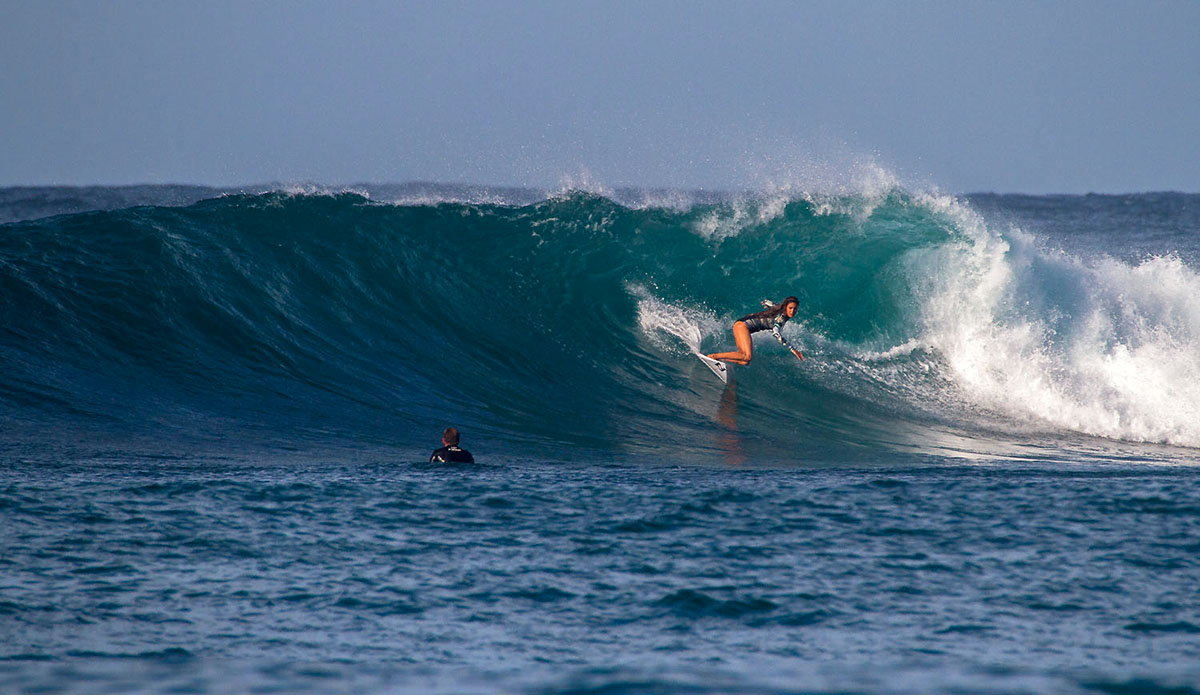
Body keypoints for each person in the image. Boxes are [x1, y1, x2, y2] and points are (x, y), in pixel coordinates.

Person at [707, 296, 804, 366]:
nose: (792, 311)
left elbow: (770, 303)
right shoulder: (781, 318)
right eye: (790, 308)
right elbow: (775, 332)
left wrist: (765, 302)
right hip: (742, 326)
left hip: (741, 325)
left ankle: (719, 360)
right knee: (747, 356)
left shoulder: (777, 308)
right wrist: (792, 348)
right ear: (786, 307)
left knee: (745, 361)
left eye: (795, 309)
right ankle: (713, 356)